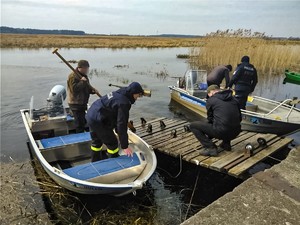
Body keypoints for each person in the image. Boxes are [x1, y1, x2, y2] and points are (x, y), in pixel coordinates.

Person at [86, 82, 144, 162]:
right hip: (99, 120)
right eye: (138, 95)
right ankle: (114, 164)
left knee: (96, 142)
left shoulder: (120, 92)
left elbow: (116, 118)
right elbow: (121, 125)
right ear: (133, 93)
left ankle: (95, 161)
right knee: (112, 144)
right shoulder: (124, 103)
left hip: (91, 114)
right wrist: (125, 146)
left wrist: (118, 132)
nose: (138, 98)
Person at [190, 85, 241, 156]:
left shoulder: (211, 100)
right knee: (226, 120)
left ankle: (210, 148)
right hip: (236, 132)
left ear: (210, 93)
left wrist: (209, 134)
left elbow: (210, 119)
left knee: (193, 126)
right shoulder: (233, 99)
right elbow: (240, 118)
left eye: (209, 95)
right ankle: (226, 144)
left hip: (222, 132)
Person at [67, 60, 96, 133]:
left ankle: (85, 132)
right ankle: (80, 137)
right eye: (86, 68)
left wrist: (92, 91)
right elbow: (74, 89)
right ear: (81, 68)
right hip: (75, 103)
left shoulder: (84, 76)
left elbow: (86, 88)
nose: (87, 70)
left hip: (82, 103)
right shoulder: (73, 76)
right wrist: (82, 82)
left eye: (87, 68)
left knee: (83, 121)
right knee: (79, 123)